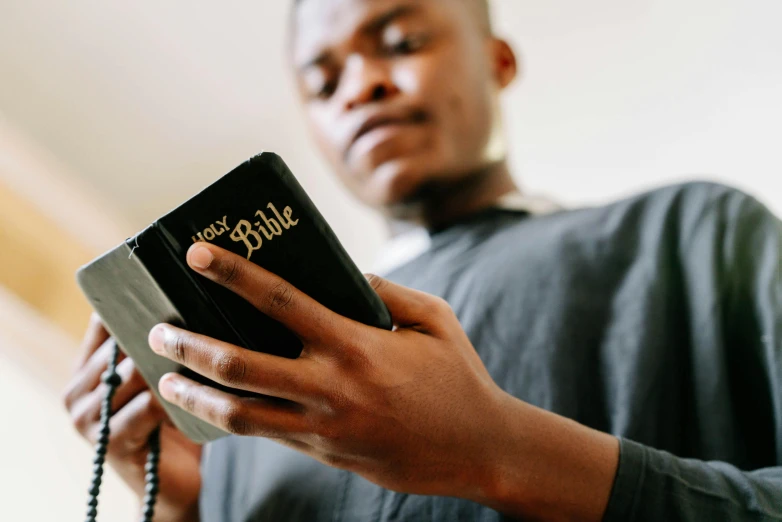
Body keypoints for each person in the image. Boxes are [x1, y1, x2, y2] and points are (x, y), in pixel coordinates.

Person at [62, 0, 782, 520]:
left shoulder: (694, 232)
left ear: (498, 61)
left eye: (402, 41)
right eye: (323, 83)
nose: (362, 87)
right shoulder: (255, 397)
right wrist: (182, 506)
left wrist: (502, 450)